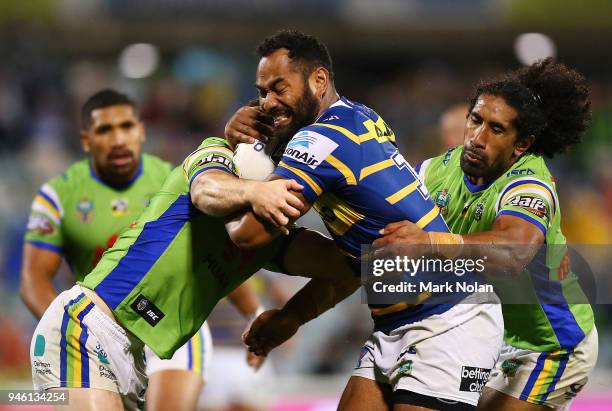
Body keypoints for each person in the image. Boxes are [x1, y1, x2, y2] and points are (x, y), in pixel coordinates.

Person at [248, 58, 598, 411]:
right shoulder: (432, 174)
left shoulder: (530, 185)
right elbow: (374, 262)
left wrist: (430, 242)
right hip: (472, 327)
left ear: (520, 144)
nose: (477, 138)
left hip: (547, 344)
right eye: (475, 121)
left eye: (496, 129)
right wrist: (294, 315)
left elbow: (514, 252)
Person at [222, 29, 503, 410]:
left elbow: (247, 235)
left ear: (318, 80)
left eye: (279, 88)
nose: (266, 103)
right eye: (261, 91)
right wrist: (292, 316)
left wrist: (226, 159)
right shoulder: (358, 116)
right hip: (397, 323)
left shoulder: (322, 140)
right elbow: (358, 265)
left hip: (450, 321)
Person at [29, 134, 359, 411]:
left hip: (136, 354)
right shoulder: (216, 157)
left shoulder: (272, 240)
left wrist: (293, 316)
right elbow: (205, 191)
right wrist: (255, 191)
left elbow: (354, 265)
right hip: (87, 327)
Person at [21, 90, 265, 411]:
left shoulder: (174, 177)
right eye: (105, 130)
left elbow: (216, 255)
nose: (118, 139)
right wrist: (72, 344)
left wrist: (254, 313)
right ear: (85, 140)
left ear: (142, 131)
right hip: (100, 325)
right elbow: (33, 281)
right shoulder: (60, 194)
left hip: (172, 329)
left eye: (126, 127)